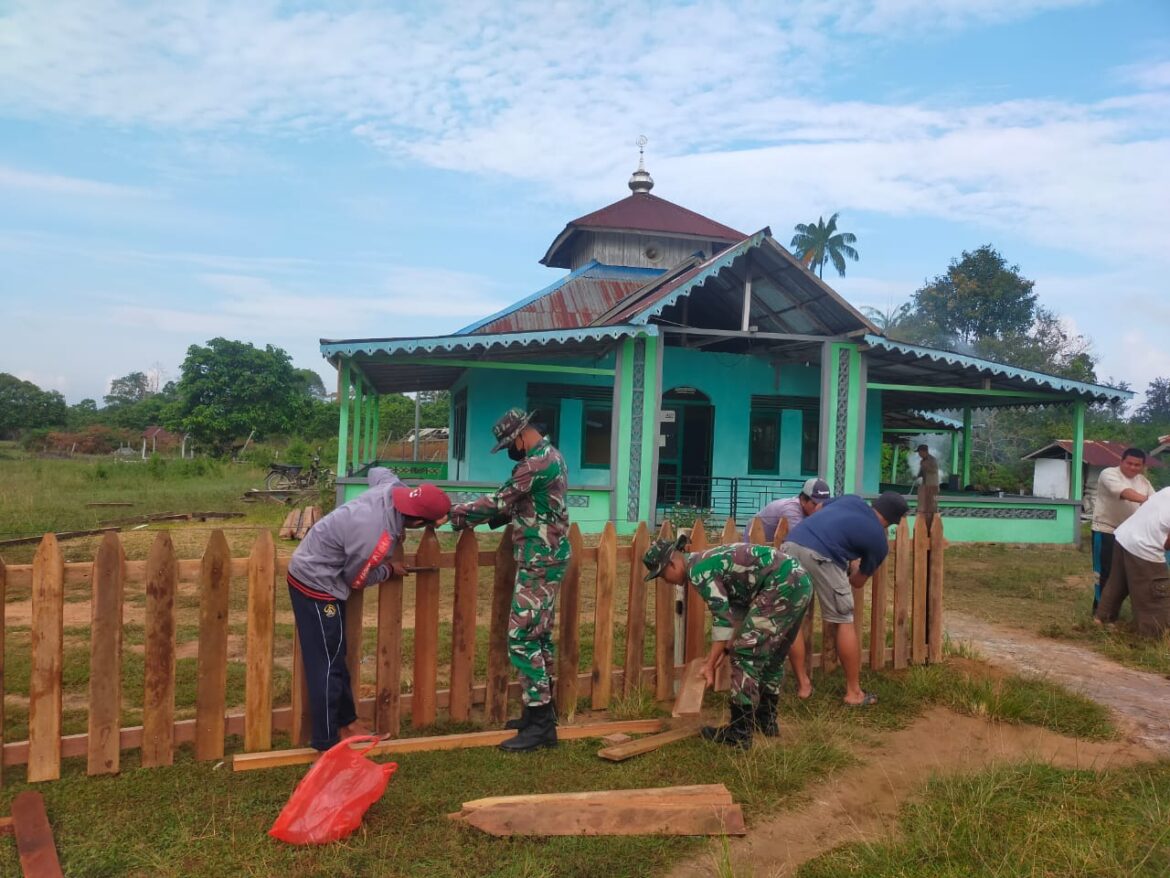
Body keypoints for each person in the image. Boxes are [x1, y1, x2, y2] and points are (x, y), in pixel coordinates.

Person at [286, 469, 450, 751]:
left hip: (322, 573)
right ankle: (325, 740)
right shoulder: (376, 537)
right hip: (314, 581)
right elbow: (356, 578)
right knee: (326, 664)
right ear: (418, 520)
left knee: (336, 657)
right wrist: (387, 569)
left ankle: (348, 724)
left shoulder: (392, 487)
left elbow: (378, 472)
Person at [448, 408, 570, 752]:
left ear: (520, 435)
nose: (509, 452)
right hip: (547, 556)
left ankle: (542, 726)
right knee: (539, 636)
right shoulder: (550, 456)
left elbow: (499, 500)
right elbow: (519, 505)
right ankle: (539, 717)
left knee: (521, 637)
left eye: (508, 445)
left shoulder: (534, 464)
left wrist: (456, 514)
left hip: (540, 560)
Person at [643, 537, 812, 749]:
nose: (665, 581)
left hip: (782, 583)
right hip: (799, 581)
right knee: (773, 656)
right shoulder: (705, 560)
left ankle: (739, 733)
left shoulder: (698, 572)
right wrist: (724, 649)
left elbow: (721, 619)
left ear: (672, 564)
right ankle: (765, 722)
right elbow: (736, 614)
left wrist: (709, 664)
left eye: (662, 575)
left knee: (745, 655)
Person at [782, 491, 909, 707]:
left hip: (791, 544)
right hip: (823, 556)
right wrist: (853, 565)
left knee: (792, 620)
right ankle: (853, 693)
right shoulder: (879, 540)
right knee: (844, 621)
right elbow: (858, 582)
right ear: (891, 522)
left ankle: (803, 686)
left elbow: (820, 509)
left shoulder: (852, 500)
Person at [1094, 485, 1170, 637]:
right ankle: (1154, 637)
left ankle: (1100, 621)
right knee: (1157, 594)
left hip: (1125, 536)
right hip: (1144, 546)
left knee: (1118, 584)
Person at [1090, 447, 1153, 613]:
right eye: (1129, 463)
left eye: (1137, 465)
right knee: (1105, 573)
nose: (1132, 467)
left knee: (1124, 576)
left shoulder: (1144, 482)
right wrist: (1148, 501)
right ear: (1121, 461)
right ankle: (1099, 613)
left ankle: (1112, 613)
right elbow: (1125, 493)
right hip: (1106, 530)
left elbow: (1155, 506)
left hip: (1131, 535)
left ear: (1142, 466)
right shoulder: (1109, 474)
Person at [749, 477, 831, 543]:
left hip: (775, 548)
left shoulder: (812, 511)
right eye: (815, 504)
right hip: (753, 545)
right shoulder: (791, 509)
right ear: (803, 500)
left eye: (823, 504)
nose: (819, 508)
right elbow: (801, 539)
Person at [915, 444, 940, 519]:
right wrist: (917, 476)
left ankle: (933, 518)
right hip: (925, 486)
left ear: (924, 452)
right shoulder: (922, 461)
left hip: (933, 485)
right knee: (925, 504)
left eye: (919, 452)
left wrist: (925, 466)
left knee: (932, 504)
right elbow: (922, 472)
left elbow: (934, 470)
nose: (919, 454)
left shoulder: (932, 460)